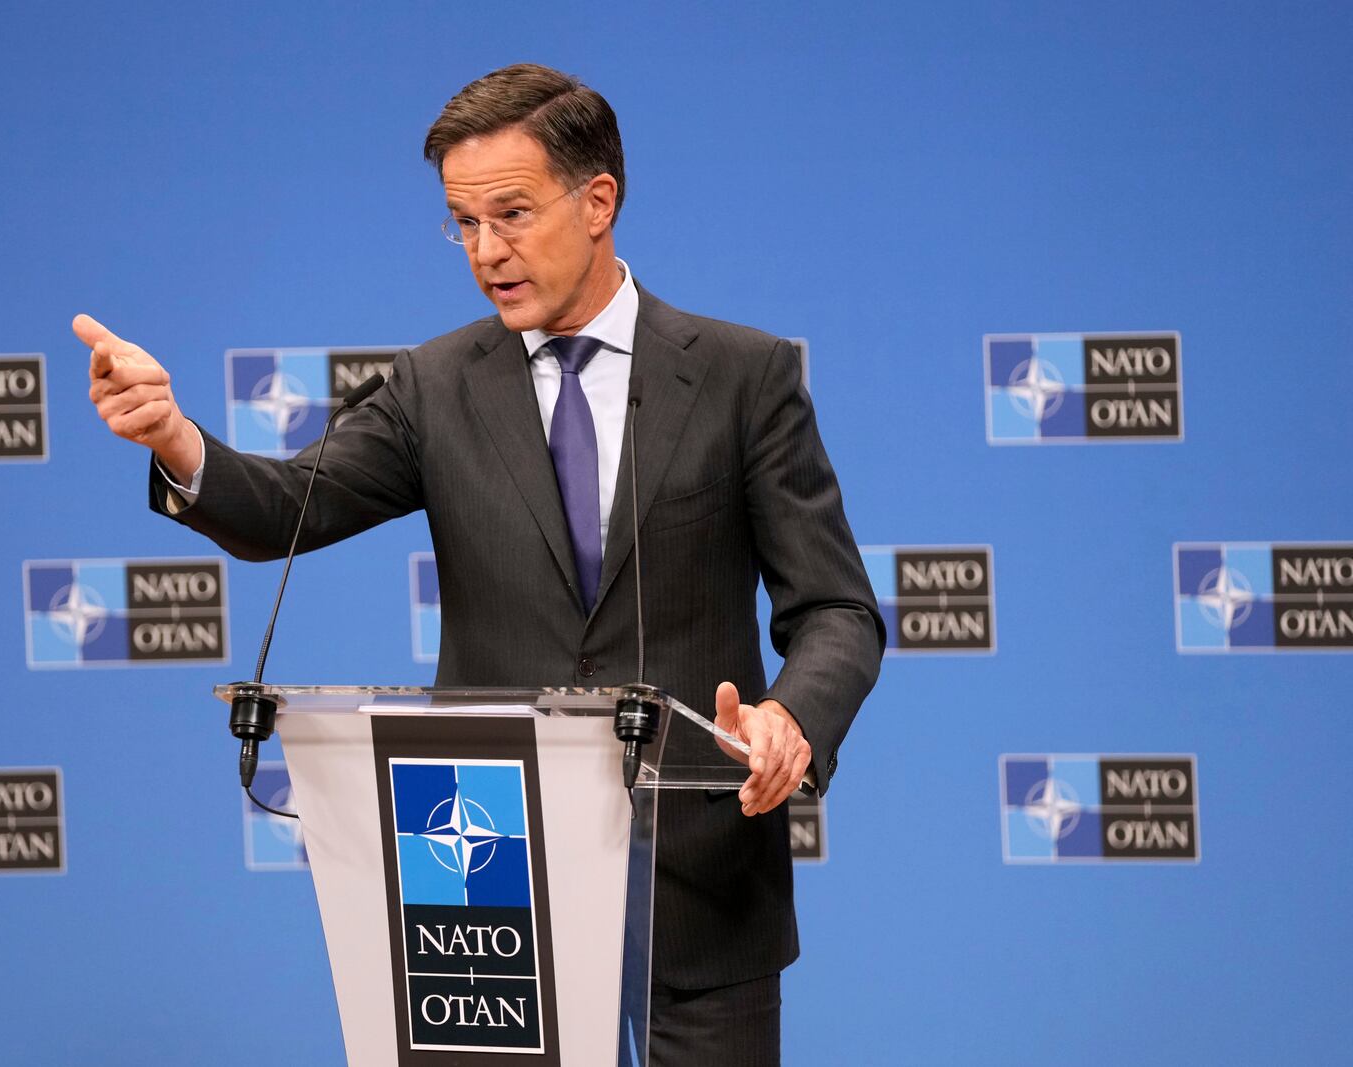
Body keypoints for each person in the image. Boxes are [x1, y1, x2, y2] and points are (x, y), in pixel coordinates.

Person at [75, 63, 883, 1065]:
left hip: (702, 863)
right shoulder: (435, 385)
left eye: (509, 213)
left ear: (597, 202)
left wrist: (790, 717)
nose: (484, 250)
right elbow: (286, 507)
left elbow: (839, 609)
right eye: (462, 222)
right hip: (483, 873)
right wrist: (175, 440)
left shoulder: (740, 376)